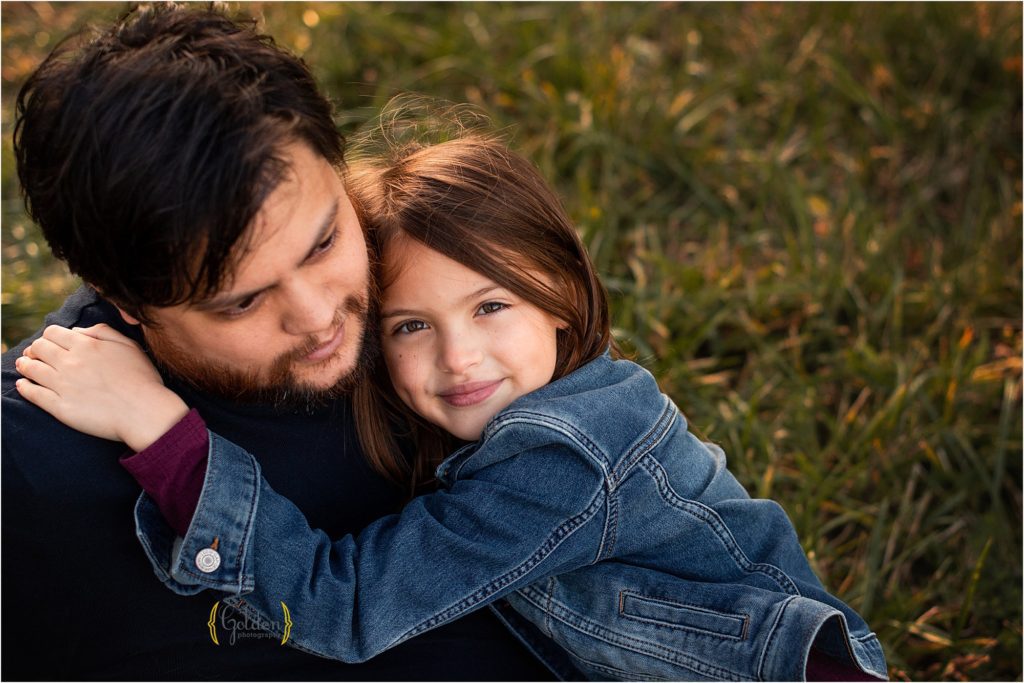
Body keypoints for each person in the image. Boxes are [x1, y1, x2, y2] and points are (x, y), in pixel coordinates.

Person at [15, 130, 889, 681]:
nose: (458, 357)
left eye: (491, 306)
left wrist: (164, 432)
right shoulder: (501, 406)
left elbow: (345, 606)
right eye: (407, 325)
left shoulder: (564, 453)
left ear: (562, 292)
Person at [1, 5, 553, 680]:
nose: (319, 315)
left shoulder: (443, 290)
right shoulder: (30, 470)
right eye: (243, 300)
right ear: (124, 300)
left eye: (324, 241)